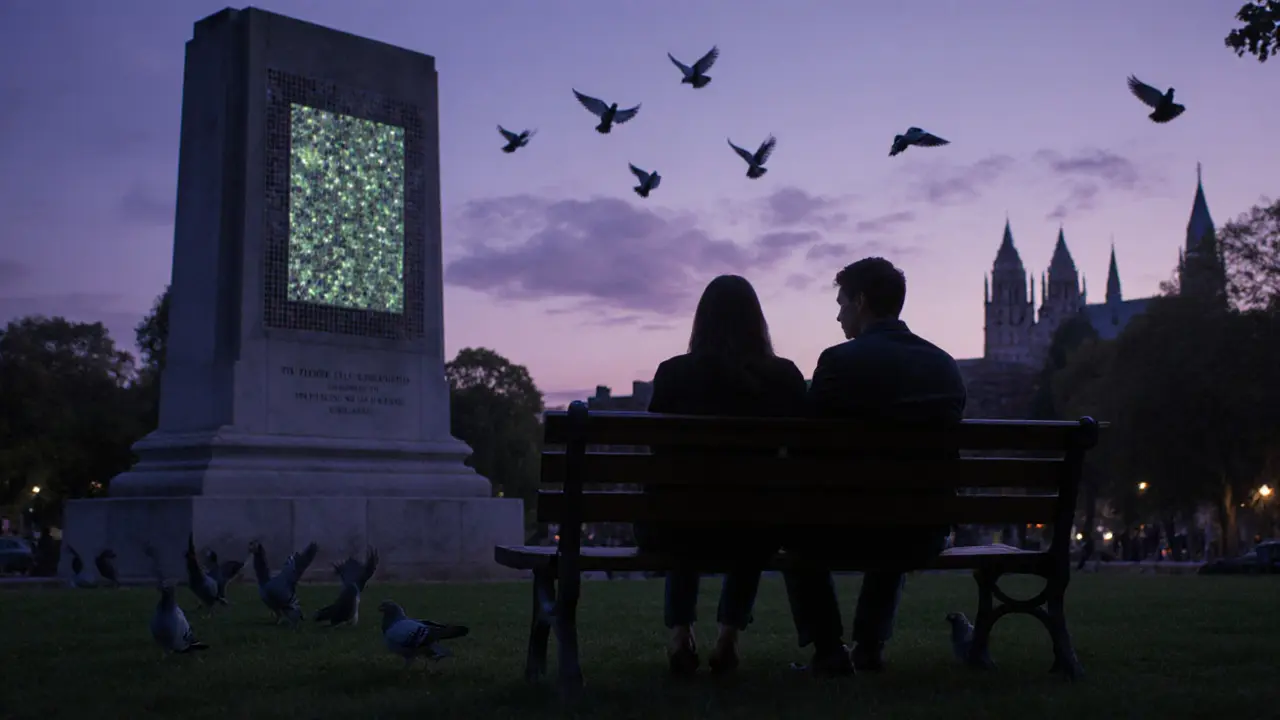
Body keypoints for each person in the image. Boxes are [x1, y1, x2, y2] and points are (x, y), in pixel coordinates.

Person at [782, 257, 967, 677]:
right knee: (900, 509)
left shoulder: (837, 362)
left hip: (844, 529)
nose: (838, 316)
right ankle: (868, 646)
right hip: (922, 531)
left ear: (861, 302)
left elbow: (805, 444)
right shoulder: (943, 366)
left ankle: (829, 650)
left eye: (841, 304)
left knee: (799, 530)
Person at [635, 274, 808, 676]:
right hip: (755, 526)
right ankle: (728, 636)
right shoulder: (783, 376)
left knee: (683, 507)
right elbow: (802, 451)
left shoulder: (673, 373)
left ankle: (681, 633)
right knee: (754, 514)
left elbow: (659, 452)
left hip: (677, 524)